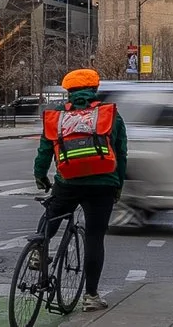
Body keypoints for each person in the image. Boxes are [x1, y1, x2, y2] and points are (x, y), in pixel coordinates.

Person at [34, 68, 127, 312]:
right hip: (103, 183)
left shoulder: (56, 117)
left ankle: (38, 250)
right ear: (95, 90)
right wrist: (117, 185)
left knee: (52, 214)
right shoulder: (110, 115)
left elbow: (45, 151)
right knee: (94, 238)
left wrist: (41, 176)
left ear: (68, 92)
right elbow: (121, 154)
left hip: (68, 181)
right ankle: (91, 296)